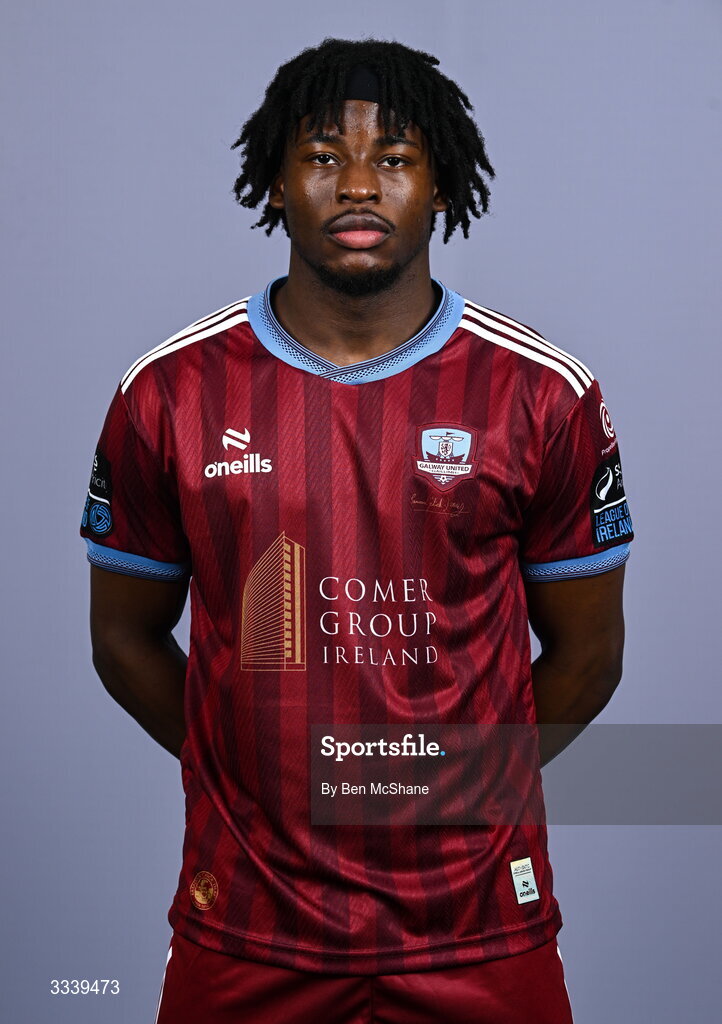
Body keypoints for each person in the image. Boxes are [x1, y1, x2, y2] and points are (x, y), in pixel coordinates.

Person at [80, 37, 633, 1024]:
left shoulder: (542, 394)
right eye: (324, 154)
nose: (359, 184)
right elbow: (123, 637)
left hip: (475, 925)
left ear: (441, 183)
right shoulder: (168, 392)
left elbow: (588, 658)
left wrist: (449, 793)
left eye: (396, 157)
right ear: (276, 181)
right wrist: (253, 776)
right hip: (248, 923)